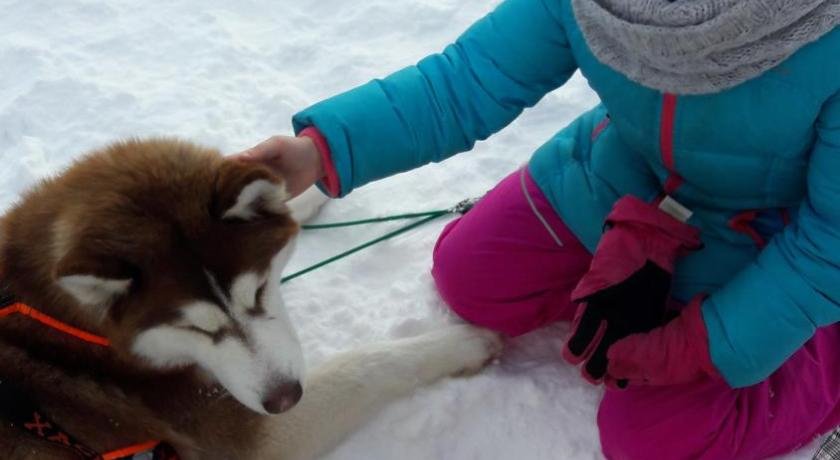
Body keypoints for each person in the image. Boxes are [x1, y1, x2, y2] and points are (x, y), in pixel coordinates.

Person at [236, 0, 840, 458]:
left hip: (769, 232)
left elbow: (827, 245)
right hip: (624, 167)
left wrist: (700, 345)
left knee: (655, 438)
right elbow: (466, 81)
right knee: (471, 279)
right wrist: (318, 153)